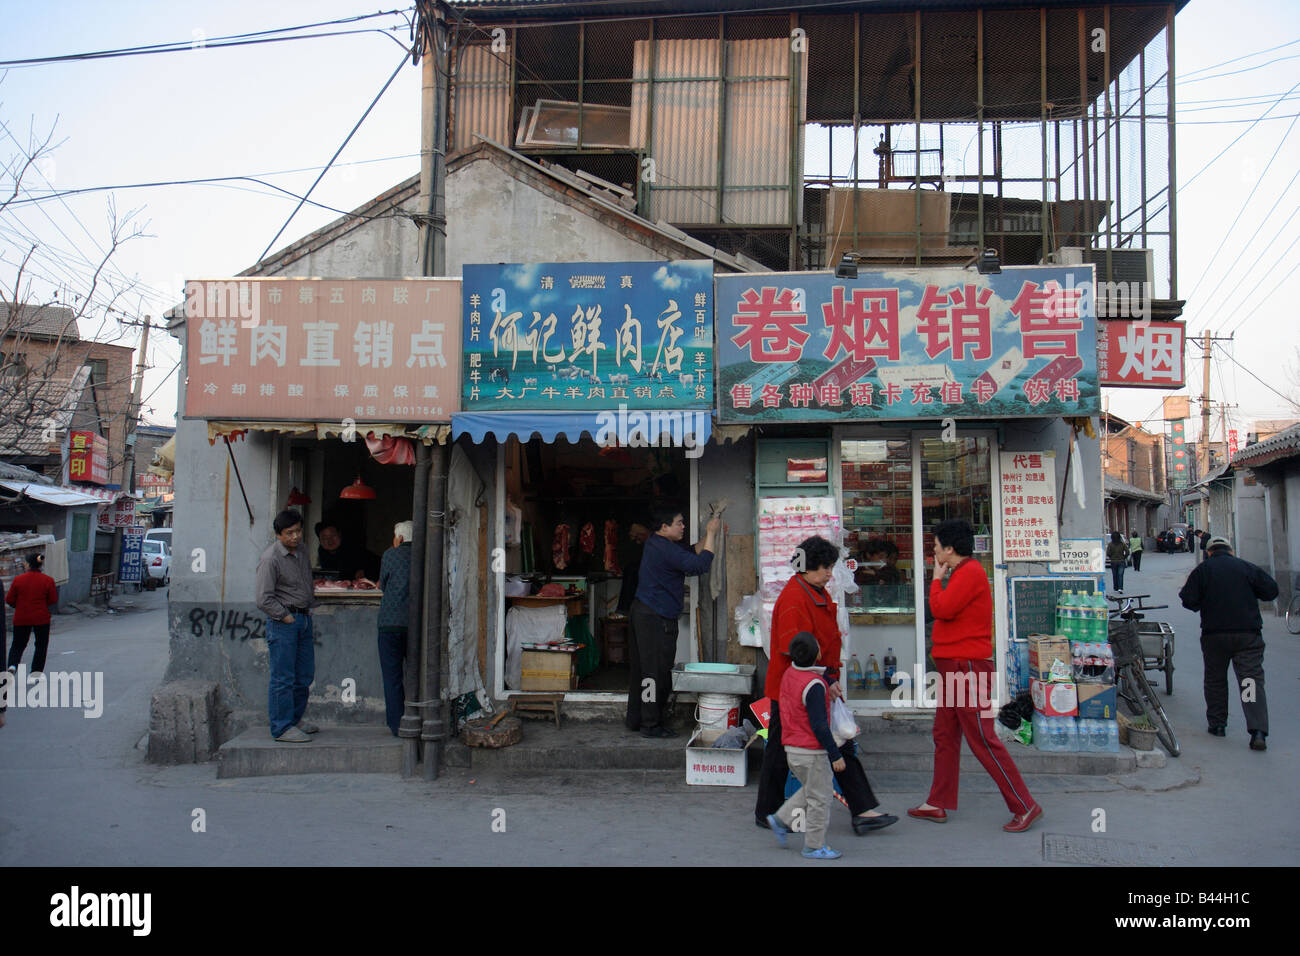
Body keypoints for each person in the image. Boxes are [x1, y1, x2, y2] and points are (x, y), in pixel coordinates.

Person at [755, 535, 896, 836]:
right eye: (825, 567)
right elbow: (797, 651)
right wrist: (827, 681)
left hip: (809, 686)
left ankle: (860, 810)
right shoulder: (796, 599)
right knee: (827, 746)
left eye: (831, 566)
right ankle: (859, 810)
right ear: (808, 567)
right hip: (800, 690)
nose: (830, 573)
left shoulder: (810, 591)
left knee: (820, 746)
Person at [909, 519, 1041, 832]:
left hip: (966, 667)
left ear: (950, 549)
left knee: (983, 738)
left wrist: (935, 579)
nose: (934, 551)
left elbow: (941, 609)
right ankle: (937, 802)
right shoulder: (964, 572)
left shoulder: (969, 572)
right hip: (956, 666)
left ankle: (1024, 805)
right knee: (945, 734)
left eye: (937, 546)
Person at [625, 506, 719, 738]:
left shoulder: (659, 544)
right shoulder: (664, 548)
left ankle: (636, 718)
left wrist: (708, 537)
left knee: (643, 670)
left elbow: (688, 553)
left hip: (644, 613)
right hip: (654, 618)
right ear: (664, 527)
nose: (683, 526)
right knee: (654, 673)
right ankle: (650, 724)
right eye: (679, 523)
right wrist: (712, 535)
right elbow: (699, 565)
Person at [1178, 535, 1278, 751]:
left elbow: (1187, 599)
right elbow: (1271, 591)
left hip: (1215, 636)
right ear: (1231, 551)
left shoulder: (1203, 570)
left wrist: (1206, 601)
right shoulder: (1246, 568)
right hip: (1247, 636)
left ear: (1209, 552)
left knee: (1216, 680)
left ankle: (1218, 724)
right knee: (1249, 682)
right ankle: (1257, 731)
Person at [764, 632, 844, 860]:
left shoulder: (790, 674)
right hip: (812, 752)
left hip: (792, 748)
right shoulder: (815, 686)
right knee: (821, 798)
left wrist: (827, 680)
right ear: (818, 654)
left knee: (812, 788)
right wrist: (835, 754)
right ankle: (814, 845)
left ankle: (780, 819)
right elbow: (820, 725)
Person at [255, 509, 319, 742]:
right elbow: (263, 598)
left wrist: (309, 608)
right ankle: (281, 728)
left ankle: (294, 719)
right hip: (284, 622)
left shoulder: (302, 551)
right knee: (283, 677)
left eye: (298, 531)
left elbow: (306, 581)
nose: (295, 536)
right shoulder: (270, 558)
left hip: (303, 619)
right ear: (278, 534)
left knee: (304, 675)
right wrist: (285, 616)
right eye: (289, 533)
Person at [377, 520, 414, 736]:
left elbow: (382, 583)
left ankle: (396, 725)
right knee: (417, 674)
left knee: (392, 676)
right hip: (415, 624)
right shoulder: (424, 555)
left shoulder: (391, 554)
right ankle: (418, 718)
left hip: (390, 623)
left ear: (399, 538)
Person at [6, 553, 59, 674]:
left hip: (21, 617)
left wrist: (18, 606)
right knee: (41, 646)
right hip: (41, 618)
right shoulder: (48, 580)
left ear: (29, 564)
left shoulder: (18, 580)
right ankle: (36, 672)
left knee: (18, 644)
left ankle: (13, 665)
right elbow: (53, 599)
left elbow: (9, 599)